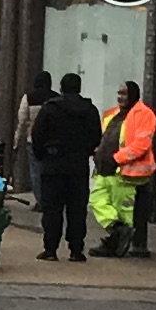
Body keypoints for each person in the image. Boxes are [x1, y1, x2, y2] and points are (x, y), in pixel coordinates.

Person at [27, 70, 103, 259]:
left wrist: (43, 155)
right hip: (78, 166)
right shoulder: (89, 110)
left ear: (61, 88)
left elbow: (37, 135)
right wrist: (84, 152)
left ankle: (50, 249)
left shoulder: (49, 109)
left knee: (52, 209)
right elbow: (96, 136)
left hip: (53, 165)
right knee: (77, 209)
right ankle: (76, 250)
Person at [93, 81, 156, 256]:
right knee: (97, 201)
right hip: (107, 169)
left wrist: (117, 158)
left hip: (125, 171)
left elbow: (142, 144)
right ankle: (117, 233)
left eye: (124, 93)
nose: (120, 97)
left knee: (122, 211)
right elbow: (105, 137)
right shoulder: (112, 114)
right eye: (119, 93)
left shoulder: (144, 114)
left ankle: (116, 244)